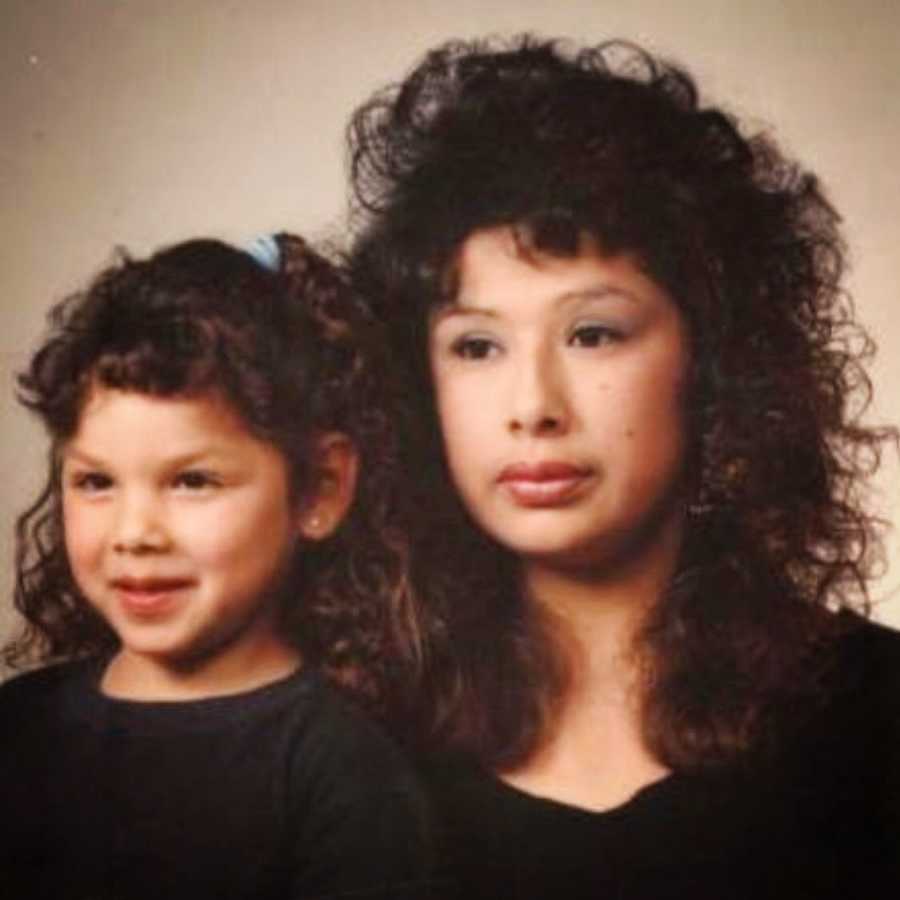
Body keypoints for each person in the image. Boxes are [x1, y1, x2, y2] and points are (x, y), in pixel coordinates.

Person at [346, 35, 900, 898]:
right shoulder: (340, 733)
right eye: (477, 345)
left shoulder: (877, 718)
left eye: (592, 333)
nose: (533, 403)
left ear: (714, 359)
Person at [0, 234, 432, 899]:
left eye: (193, 481)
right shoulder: (18, 728)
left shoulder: (340, 773)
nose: (135, 533)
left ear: (319, 489)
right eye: (95, 483)